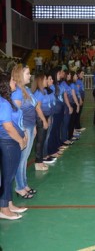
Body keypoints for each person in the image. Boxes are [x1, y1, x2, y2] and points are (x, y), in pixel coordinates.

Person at [12, 64, 47, 198]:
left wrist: (34, 128)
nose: (30, 76)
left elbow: (35, 106)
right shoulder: (16, 93)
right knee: (21, 160)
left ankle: (24, 184)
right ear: (20, 76)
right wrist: (23, 132)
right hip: (24, 128)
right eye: (27, 73)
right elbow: (16, 115)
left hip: (30, 127)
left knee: (25, 159)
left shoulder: (26, 90)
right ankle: (20, 187)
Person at [0, 73, 28, 220]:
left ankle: (8, 204)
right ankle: (4, 209)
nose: (14, 82)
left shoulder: (6, 100)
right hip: (9, 142)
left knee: (9, 176)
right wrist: (21, 140)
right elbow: (9, 127)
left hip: (10, 141)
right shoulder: (3, 103)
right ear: (5, 84)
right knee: (7, 176)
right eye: (11, 80)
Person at [32, 73, 54, 170]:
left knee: (43, 139)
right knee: (40, 141)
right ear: (41, 81)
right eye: (45, 79)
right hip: (40, 118)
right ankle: (38, 162)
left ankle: (40, 160)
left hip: (45, 116)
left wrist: (48, 118)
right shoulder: (39, 92)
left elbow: (47, 105)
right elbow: (38, 108)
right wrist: (44, 120)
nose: (46, 81)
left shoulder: (44, 91)